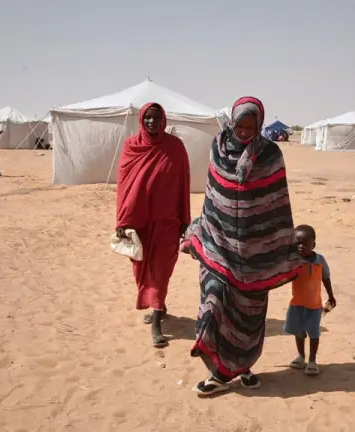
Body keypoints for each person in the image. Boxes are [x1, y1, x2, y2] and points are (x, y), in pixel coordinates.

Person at [182, 96, 302, 396]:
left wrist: (280, 248)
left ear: (260, 125)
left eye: (252, 127)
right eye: (241, 126)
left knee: (248, 318)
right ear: (232, 123)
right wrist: (201, 232)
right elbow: (213, 196)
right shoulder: (218, 147)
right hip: (218, 247)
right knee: (214, 305)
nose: (245, 132)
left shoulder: (270, 154)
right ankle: (219, 374)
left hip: (255, 255)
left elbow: (277, 204)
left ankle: (243, 367)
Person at [116, 102, 190, 348]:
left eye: (156, 117)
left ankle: (157, 321)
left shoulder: (175, 147)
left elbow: (183, 184)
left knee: (161, 269)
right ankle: (161, 305)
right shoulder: (131, 147)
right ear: (141, 119)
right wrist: (122, 220)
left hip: (168, 221)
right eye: (147, 117)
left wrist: (184, 220)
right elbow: (124, 187)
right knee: (142, 269)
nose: (151, 121)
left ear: (163, 120)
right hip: (139, 222)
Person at [284, 224, 336, 376]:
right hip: (297, 304)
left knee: (314, 333)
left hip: (314, 306)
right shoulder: (293, 261)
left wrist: (331, 296)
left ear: (313, 245)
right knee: (298, 332)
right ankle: (301, 357)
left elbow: (325, 278)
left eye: (305, 244)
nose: (300, 247)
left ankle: (312, 361)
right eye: (297, 243)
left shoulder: (320, 261)